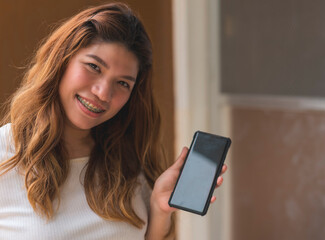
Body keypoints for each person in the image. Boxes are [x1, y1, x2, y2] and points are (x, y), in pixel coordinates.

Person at [0, 2, 227, 240]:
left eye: (122, 83)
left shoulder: (128, 160)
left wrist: (160, 209)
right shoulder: (6, 153)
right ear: (61, 61)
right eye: (94, 66)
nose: (103, 93)